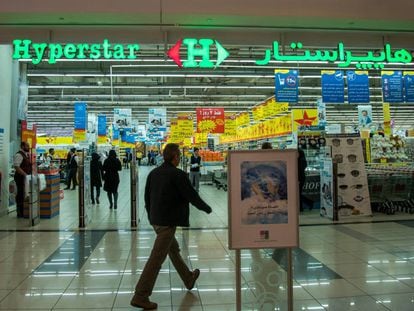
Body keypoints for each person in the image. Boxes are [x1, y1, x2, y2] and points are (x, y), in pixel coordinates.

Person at [131, 143, 212, 310]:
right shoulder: (178, 174)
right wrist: (207, 208)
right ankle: (141, 295)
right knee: (156, 258)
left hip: (156, 220)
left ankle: (188, 278)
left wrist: (151, 216)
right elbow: (192, 196)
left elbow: (146, 197)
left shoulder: (154, 173)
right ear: (175, 157)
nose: (180, 159)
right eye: (179, 157)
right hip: (167, 223)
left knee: (173, 250)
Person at [13, 141, 31, 218]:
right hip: (20, 177)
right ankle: (19, 212)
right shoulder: (19, 155)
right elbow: (17, 167)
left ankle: (23, 211)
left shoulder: (25, 155)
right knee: (20, 193)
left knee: (24, 193)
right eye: (27, 146)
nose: (28, 147)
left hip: (25, 177)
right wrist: (25, 175)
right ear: (22, 146)